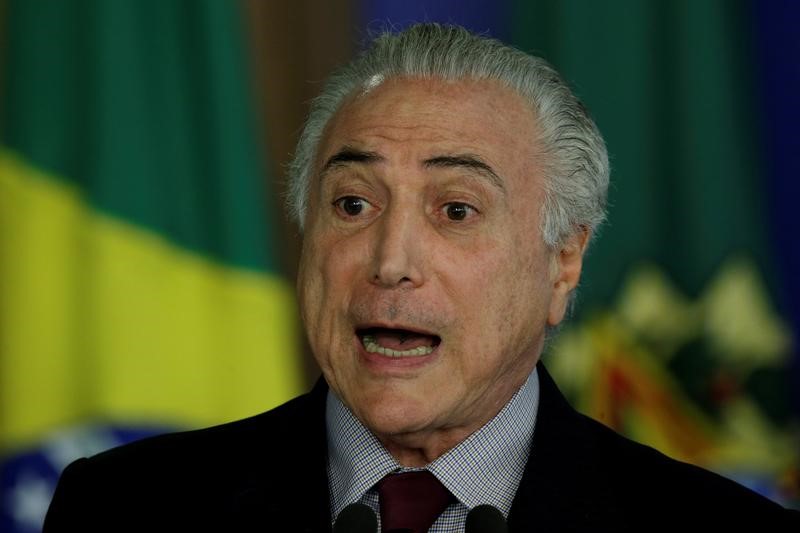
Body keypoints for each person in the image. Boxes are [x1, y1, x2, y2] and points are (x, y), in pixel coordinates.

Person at [44, 23, 798, 532]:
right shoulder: (120, 508)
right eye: (352, 203)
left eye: (456, 210)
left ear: (563, 261)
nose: (391, 260)